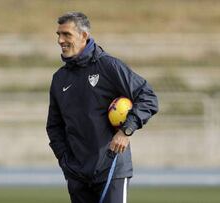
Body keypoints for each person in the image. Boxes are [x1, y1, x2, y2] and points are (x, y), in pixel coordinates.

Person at [46, 12, 158, 203]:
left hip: (111, 169)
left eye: (66, 35)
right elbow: (54, 126)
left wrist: (126, 130)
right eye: (58, 34)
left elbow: (148, 97)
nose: (60, 40)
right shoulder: (59, 79)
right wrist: (65, 161)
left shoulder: (108, 66)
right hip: (77, 175)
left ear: (84, 36)